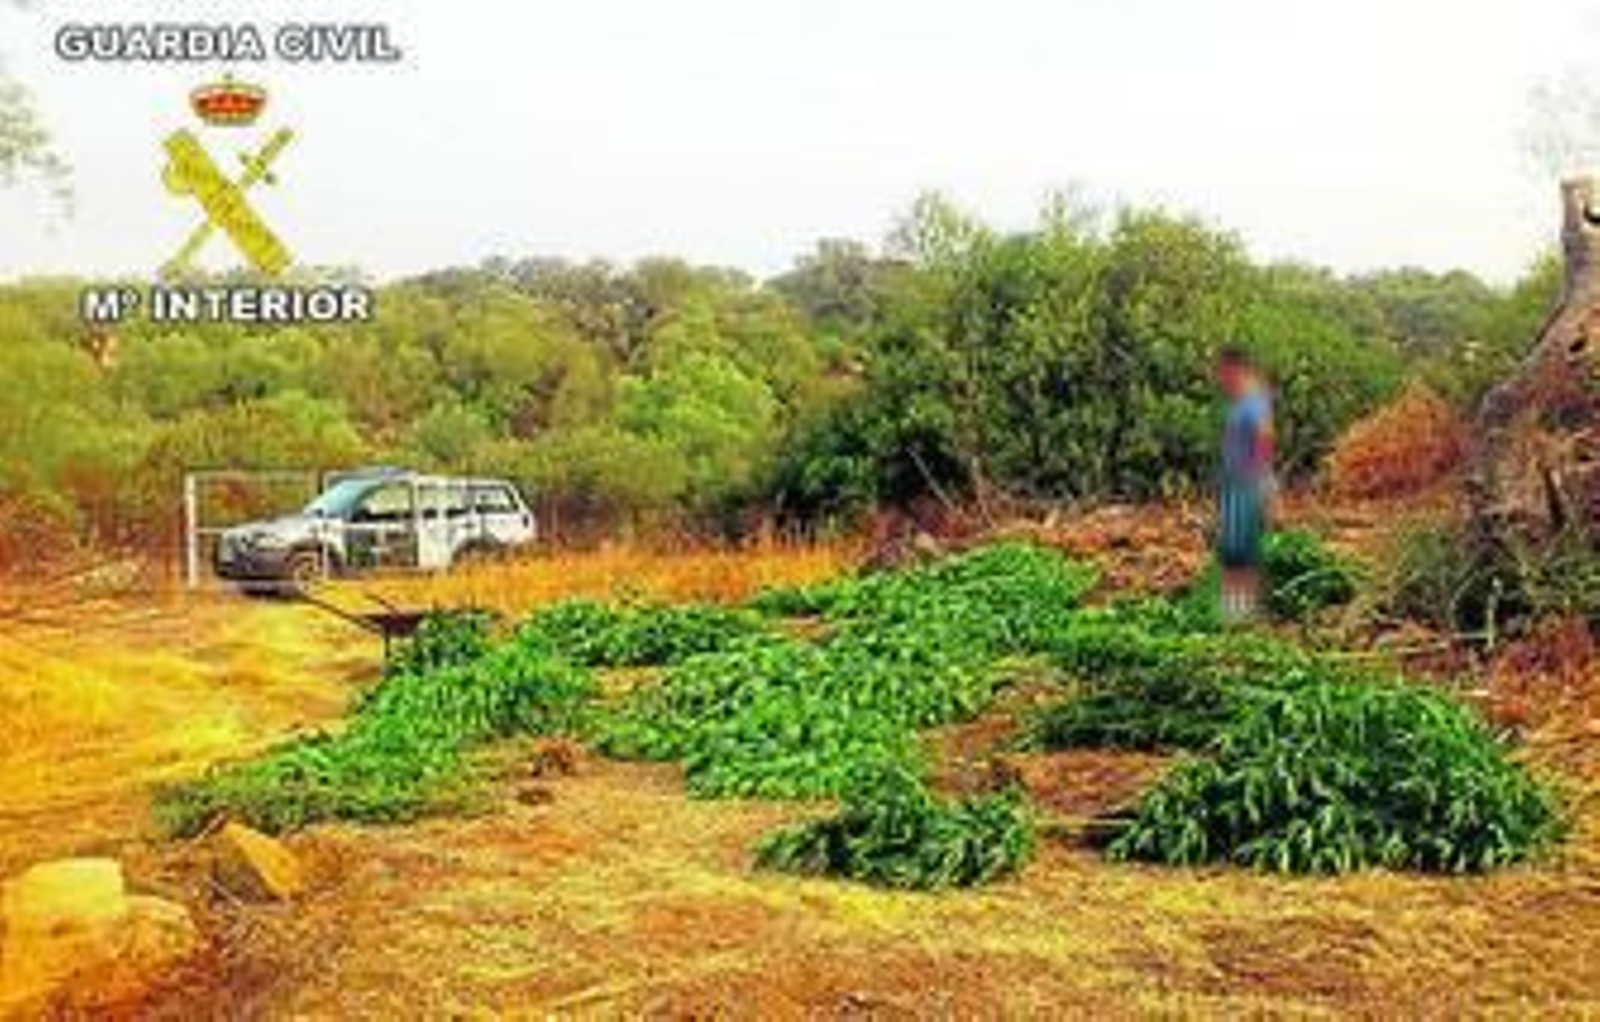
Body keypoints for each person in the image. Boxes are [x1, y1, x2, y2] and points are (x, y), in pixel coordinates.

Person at [1215, 346, 1275, 624]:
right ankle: (1235, 612)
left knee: (1240, 549)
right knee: (1233, 547)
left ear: (1234, 369)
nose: (1219, 379)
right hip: (1234, 482)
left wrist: (1259, 477)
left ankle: (1240, 614)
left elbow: (1264, 437)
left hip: (1245, 483)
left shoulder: (1253, 399)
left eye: (1222, 372)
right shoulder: (1241, 399)